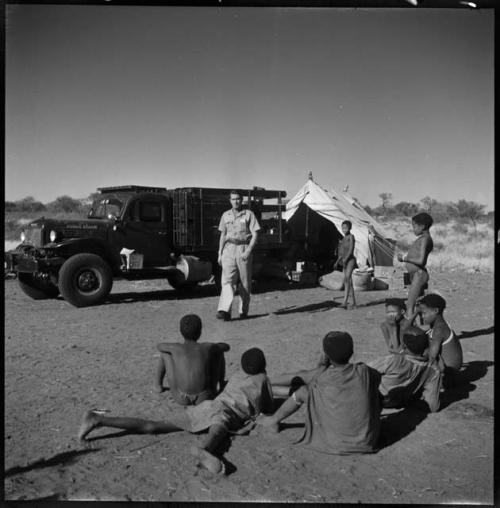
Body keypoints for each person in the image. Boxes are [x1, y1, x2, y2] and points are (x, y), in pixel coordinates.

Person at [79, 348, 274, 475]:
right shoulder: (263, 380)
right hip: (224, 412)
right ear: (263, 367)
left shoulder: (237, 376)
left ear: (242, 365)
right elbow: (267, 408)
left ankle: (99, 420)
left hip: (207, 407)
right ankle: (203, 449)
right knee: (218, 428)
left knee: (153, 426)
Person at [259, 332, 381, 455]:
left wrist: (322, 365)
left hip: (336, 443)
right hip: (368, 442)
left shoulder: (324, 377)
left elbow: (310, 384)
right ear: (352, 352)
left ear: (326, 355)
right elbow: (377, 378)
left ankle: (273, 420)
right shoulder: (364, 371)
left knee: (302, 391)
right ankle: (266, 388)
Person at [154, 314, 230, 405]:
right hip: (205, 397)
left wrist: (173, 349)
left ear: (181, 331)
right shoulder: (206, 347)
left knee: (165, 353)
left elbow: (160, 346)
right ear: (200, 332)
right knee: (219, 352)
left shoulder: (175, 347)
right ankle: (222, 385)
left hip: (180, 397)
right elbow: (226, 347)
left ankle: (158, 385)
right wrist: (215, 346)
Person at [368, 327, 442, 412]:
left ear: (404, 346)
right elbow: (433, 406)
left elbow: (362, 371)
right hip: (400, 401)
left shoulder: (394, 361)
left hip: (379, 399)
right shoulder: (433, 369)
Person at [216, 190, 260, 321]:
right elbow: (223, 235)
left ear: (242, 200)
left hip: (243, 248)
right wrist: (219, 253)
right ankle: (225, 311)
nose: (236, 201)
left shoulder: (249, 214)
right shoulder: (225, 215)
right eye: (234, 199)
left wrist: (248, 250)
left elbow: (255, 234)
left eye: (238, 199)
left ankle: (243, 311)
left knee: (245, 283)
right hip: (229, 249)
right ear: (230, 200)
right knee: (227, 282)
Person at [417, 294, 463, 386]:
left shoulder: (439, 330)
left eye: (424, 313)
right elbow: (416, 329)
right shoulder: (437, 324)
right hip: (450, 371)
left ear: (436, 311)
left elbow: (431, 357)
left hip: (448, 374)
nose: (422, 317)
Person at [397, 212, 434, 316]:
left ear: (422, 226)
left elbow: (421, 261)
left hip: (419, 275)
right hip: (415, 275)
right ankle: (419, 329)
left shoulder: (425, 240)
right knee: (417, 305)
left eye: (414, 226)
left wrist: (404, 258)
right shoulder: (423, 239)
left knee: (410, 306)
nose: (413, 229)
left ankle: (409, 329)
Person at [333, 220, 357, 309]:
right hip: (344, 261)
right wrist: (337, 262)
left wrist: (346, 259)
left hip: (350, 261)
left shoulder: (351, 237)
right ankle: (350, 301)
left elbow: (351, 250)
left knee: (347, 278)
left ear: (350, 228)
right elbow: (341, 253)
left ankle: (346, 301)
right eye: (343, 228)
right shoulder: (343, 239)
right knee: (347, 281)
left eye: (346, 228)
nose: (344, 230)